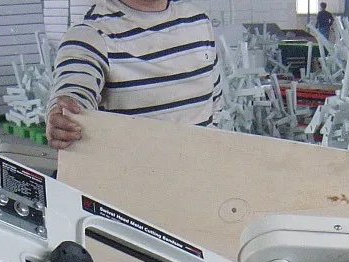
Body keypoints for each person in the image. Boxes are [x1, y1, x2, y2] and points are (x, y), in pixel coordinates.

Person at [46, 0, 223, 150]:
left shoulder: (198, 20)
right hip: (135, 176)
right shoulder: (90, 35)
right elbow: (74, 93)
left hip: (202, 173)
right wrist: (62, 117)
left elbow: (215, 105)